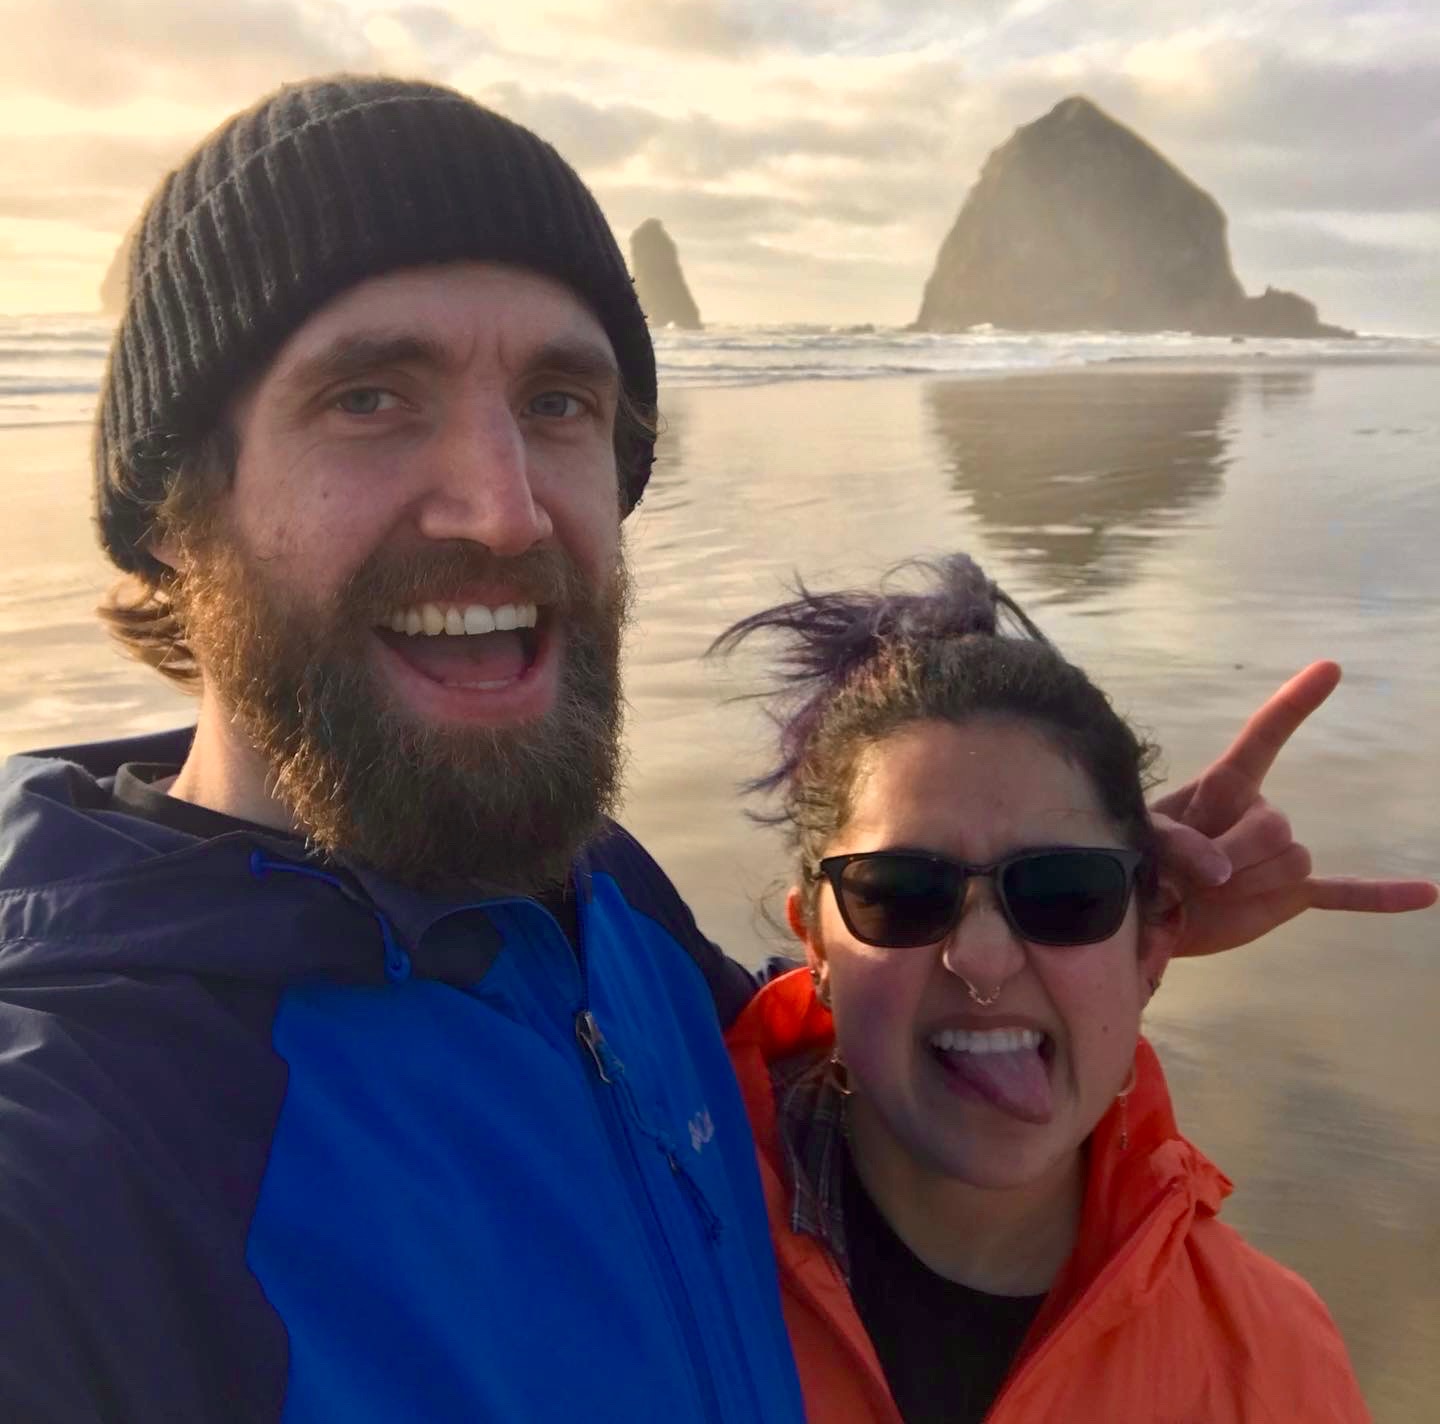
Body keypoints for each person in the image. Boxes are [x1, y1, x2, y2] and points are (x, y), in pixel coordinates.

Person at [0, 76, 1428, 1421]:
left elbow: (845, 1056)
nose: (503, 506)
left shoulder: (600, 902)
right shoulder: (84, 1156)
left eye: (559, 403)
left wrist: (1085, 903)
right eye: (369, 395)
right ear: (173, 512)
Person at [721, 556, 1386, 1422]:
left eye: (1065, 892)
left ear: (1156, 940)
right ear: (814, 943)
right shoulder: (653, 1239)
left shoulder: (1270, 1358)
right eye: (901, 893)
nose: (983, 959)